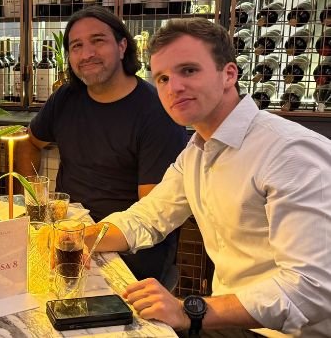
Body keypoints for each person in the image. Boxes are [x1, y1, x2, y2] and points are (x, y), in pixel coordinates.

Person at [88, 18, 331, 337]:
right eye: (162, 78)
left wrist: (190, 311)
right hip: (230, 322)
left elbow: (312, 289)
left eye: (188, 70)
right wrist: (76, 238)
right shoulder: (198, 150)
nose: (173, 88)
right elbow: (148, 217)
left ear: (229, 74)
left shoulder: (289, 152)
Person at [16, 6, 187, 283]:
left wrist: (81, 237)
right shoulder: (66, 98)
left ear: (122, 46)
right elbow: (29, 141)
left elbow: (152, 215)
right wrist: (35, 200)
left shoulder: (157, 112)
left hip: (130, 250)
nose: (87, 54)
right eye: (76, 46)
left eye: (98, 41)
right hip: (68, 232)